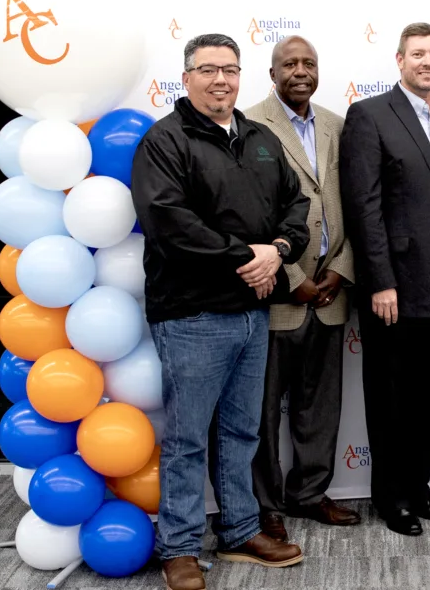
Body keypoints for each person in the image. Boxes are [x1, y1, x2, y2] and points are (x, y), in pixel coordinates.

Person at [132, 33, 310, 590]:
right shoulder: (165, 141)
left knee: (241, 432)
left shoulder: (260, 138)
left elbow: (297, 206)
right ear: (186, 78)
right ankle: (179, 547)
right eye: (207, 70)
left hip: (253, 313)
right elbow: (169, 224)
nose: (220, 80)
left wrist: (278, 252)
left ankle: (239, 530)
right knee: (187, 437)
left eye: (230, 69)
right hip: (191, 315)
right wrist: (248, 258)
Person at [339, 22, 430, 536]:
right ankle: (390, 498)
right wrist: (379, 281)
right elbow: (364, 206)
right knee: (390, 399)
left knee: (426, 398)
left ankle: (418, 489)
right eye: (417, 54)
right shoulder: (370, 115)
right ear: (399, 60)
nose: (427, 62)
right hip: (392, 288)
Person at [245, 35, 360, 542]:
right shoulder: (249, 127)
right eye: (288, 64)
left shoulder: (338, 124)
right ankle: (266, 506)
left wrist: (341, 271)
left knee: (320, 406)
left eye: (308, 63)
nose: (299, 71)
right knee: (262, 412)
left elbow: (358, 204)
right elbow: (245, 213)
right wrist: (295, 281)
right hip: (277, 296)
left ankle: (310, 493)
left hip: (332, 294)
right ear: (272, 74)